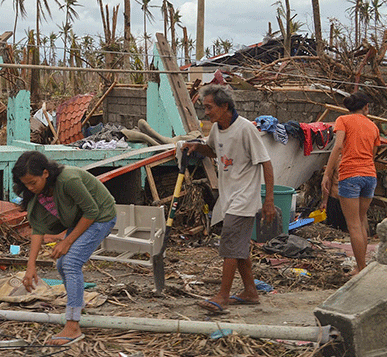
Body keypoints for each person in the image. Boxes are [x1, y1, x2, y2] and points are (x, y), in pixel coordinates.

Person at [182, 84, 276, 314]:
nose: (206, 112)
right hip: (229, 196)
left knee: (230, 244)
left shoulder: (246, 129)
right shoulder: (217, 129)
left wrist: (269, 201)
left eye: (209, 107)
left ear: (225, 106)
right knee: (238, 248)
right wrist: (197, 146)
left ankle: (222, 295)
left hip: (244, 198)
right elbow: (214, 151)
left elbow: (266, 162)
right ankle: (250, 292)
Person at [12, 151, 117, 346]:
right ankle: (77, 309)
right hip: (81, 220)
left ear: (45, 173)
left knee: (70, 262)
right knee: (61, 265)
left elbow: (92, 211)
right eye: (25, 184)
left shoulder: (68, 180)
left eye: (32, 182)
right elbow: (38, 229)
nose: (29, 188)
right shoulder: (38, 192)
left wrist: (66, 242)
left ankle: (73, 325)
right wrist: (31, 265)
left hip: (101, 216)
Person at [322, 92, 380, 275]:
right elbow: (373, 153)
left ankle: (361, 268)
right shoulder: (373, 126)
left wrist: (327, 173)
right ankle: (361, 266)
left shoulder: (343, 120)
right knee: (361, 221)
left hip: (350, 174)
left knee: (353, 225)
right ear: (366, 107)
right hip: (370, 176)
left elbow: (338, 146)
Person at [320, 155, 348, 232]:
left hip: (336, 198)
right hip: (350, 200)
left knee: (333, 230)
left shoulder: (336, 159)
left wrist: (324, 201)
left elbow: (327, 182)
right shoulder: (358, 160)